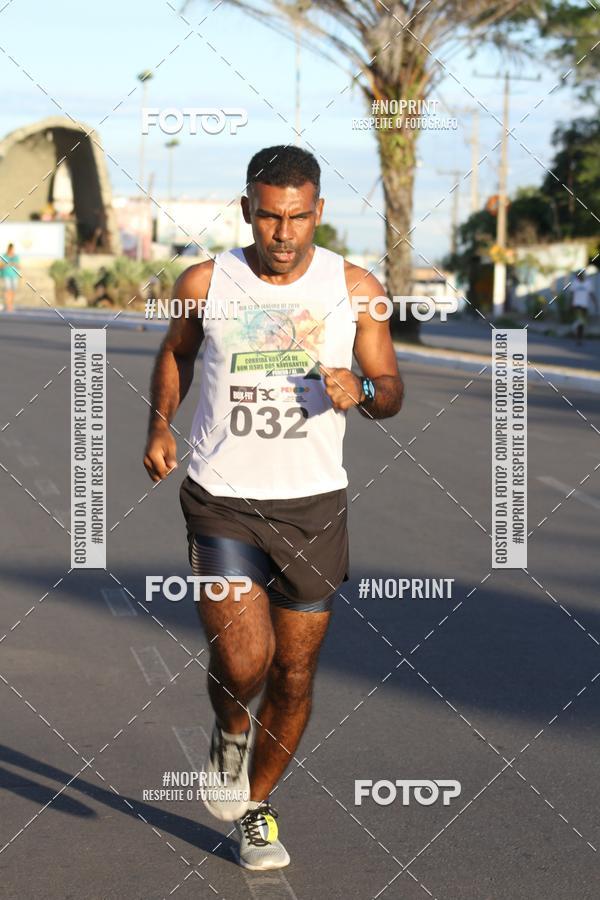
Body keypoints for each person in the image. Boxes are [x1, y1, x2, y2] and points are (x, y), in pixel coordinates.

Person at [143, 145, 404, 870]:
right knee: (244, 657)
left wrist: (367, 393)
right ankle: (229, 731)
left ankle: (256, 809)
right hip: (222, 498)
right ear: (247, 211)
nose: (283, 234)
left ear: (318, 212)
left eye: (298, 218)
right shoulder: (205, 281)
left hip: (314, 508)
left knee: (293, 677)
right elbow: (176, 352)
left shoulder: (355, 287)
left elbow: (390, 386)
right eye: (269, 217)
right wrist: (161, 422)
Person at [571, 270, 598, 345]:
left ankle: (579, 337)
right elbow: (572, 294)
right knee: (580, 321)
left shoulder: (588, 283)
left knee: (582, 323)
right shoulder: (575, 283)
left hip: (584, 305)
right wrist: (570, 304)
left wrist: (595, 304)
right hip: (576, 305)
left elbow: (591, 294)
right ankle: (578, 338)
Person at [0, 243, 20, 313]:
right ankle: (8, 306)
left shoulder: (15, 257)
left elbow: (19, 266)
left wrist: (14, 264)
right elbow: (1, 265)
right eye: (11, 249)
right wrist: (6, 264)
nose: (12, 250)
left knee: (13, 291)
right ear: (8, 249)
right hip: (6, 275)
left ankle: (11, 304)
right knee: (8, 290)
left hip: (14, 275)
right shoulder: (4, 256)